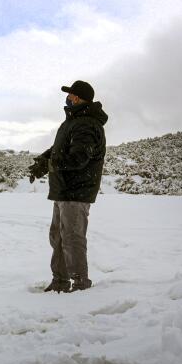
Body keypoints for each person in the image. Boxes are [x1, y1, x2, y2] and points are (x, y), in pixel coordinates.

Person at [29, 80, 108, 293]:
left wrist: (53, 163)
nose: (68, 97)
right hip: (64, 190)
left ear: (78, 98)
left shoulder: (87, 124)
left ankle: (80, 283)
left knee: (72, 238)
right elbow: (58, 149)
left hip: (77, 191)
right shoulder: (72, 123)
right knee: (58, 236)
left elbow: (79, 157)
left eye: (71, 94)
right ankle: (60, 281)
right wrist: (42, 163)